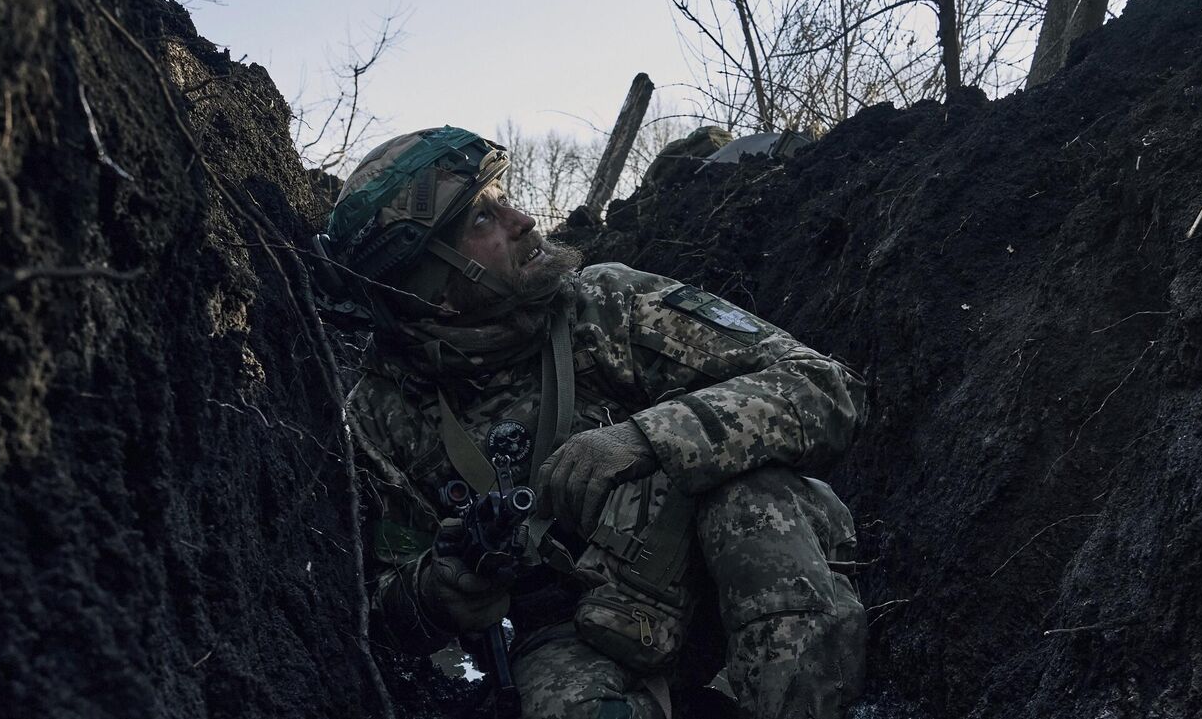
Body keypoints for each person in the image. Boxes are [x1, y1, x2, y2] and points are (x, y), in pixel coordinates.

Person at [319, 126, 866, 719]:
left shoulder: (606, 307)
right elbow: (364, 615)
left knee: (753, 498)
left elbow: (824, 385)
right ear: (432, 287)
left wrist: (651, 437)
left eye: (502, 195)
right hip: (580, 633)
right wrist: (437, 592)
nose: (522, 220)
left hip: (723, 576)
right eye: (481, 220)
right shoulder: (381, 413)